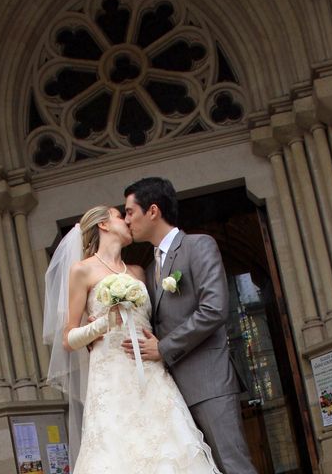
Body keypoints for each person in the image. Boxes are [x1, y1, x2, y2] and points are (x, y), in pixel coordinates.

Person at [43, 205, 221, 473]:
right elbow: (68, 338)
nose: (127, 220)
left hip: (150, 373)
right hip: (111, 376)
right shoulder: (82, 270)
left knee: (170, 447)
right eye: (119, 216)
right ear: (103, 225)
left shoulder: (138, 272)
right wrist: (102, 325)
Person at [122, 177, 258, 474]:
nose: (126, 219)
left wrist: (163, 347)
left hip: (209, 384)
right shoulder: (148, 268)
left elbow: (214, 309)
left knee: (233, 466)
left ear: (153, 211)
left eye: (130, 211)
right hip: (172, 393)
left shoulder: (198, 246)